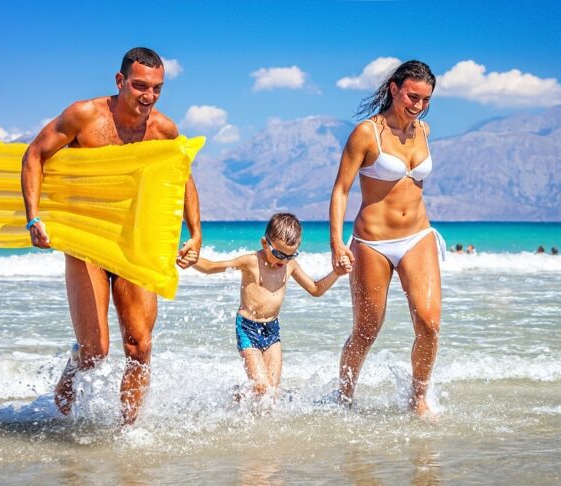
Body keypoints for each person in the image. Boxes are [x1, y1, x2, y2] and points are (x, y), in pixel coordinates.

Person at [21, 47, 202, 425]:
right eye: (139, 86)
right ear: (120, 81)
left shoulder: (162, 130)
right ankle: (63, 405)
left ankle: (128, 433)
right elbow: (35, 154)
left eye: (156, 89)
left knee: (140, 345)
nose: (147, 97)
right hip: (86, 240)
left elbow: (181, 176)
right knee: (95, 352)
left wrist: (195, 232)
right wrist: (33, 218)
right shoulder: (84, 117)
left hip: (134, 241)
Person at [329, 60, 446, 416]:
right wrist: (336, 242)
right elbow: (340, 190)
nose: (418, 105)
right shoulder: (367, 133)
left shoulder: (423, 130)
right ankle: (344, 398)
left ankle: (419, 398)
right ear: (394, 89)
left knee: (429, 323)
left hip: (417, 236)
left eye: (425, 99)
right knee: (366, 329)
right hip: (372, 242)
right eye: (412, 96)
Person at [193, 213, 350, 397]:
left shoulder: (290, 265)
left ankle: (251, 410)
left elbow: (315, 290)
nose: (282, 260)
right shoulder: (251, 261)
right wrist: (191, 260)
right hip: (247, 328)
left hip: (272, 330)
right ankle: (234, 399)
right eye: (278, 254)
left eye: (290, 255)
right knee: (261, 386)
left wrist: (336, 273)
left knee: (272, 392)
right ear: (264, 243)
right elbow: (212, 267)